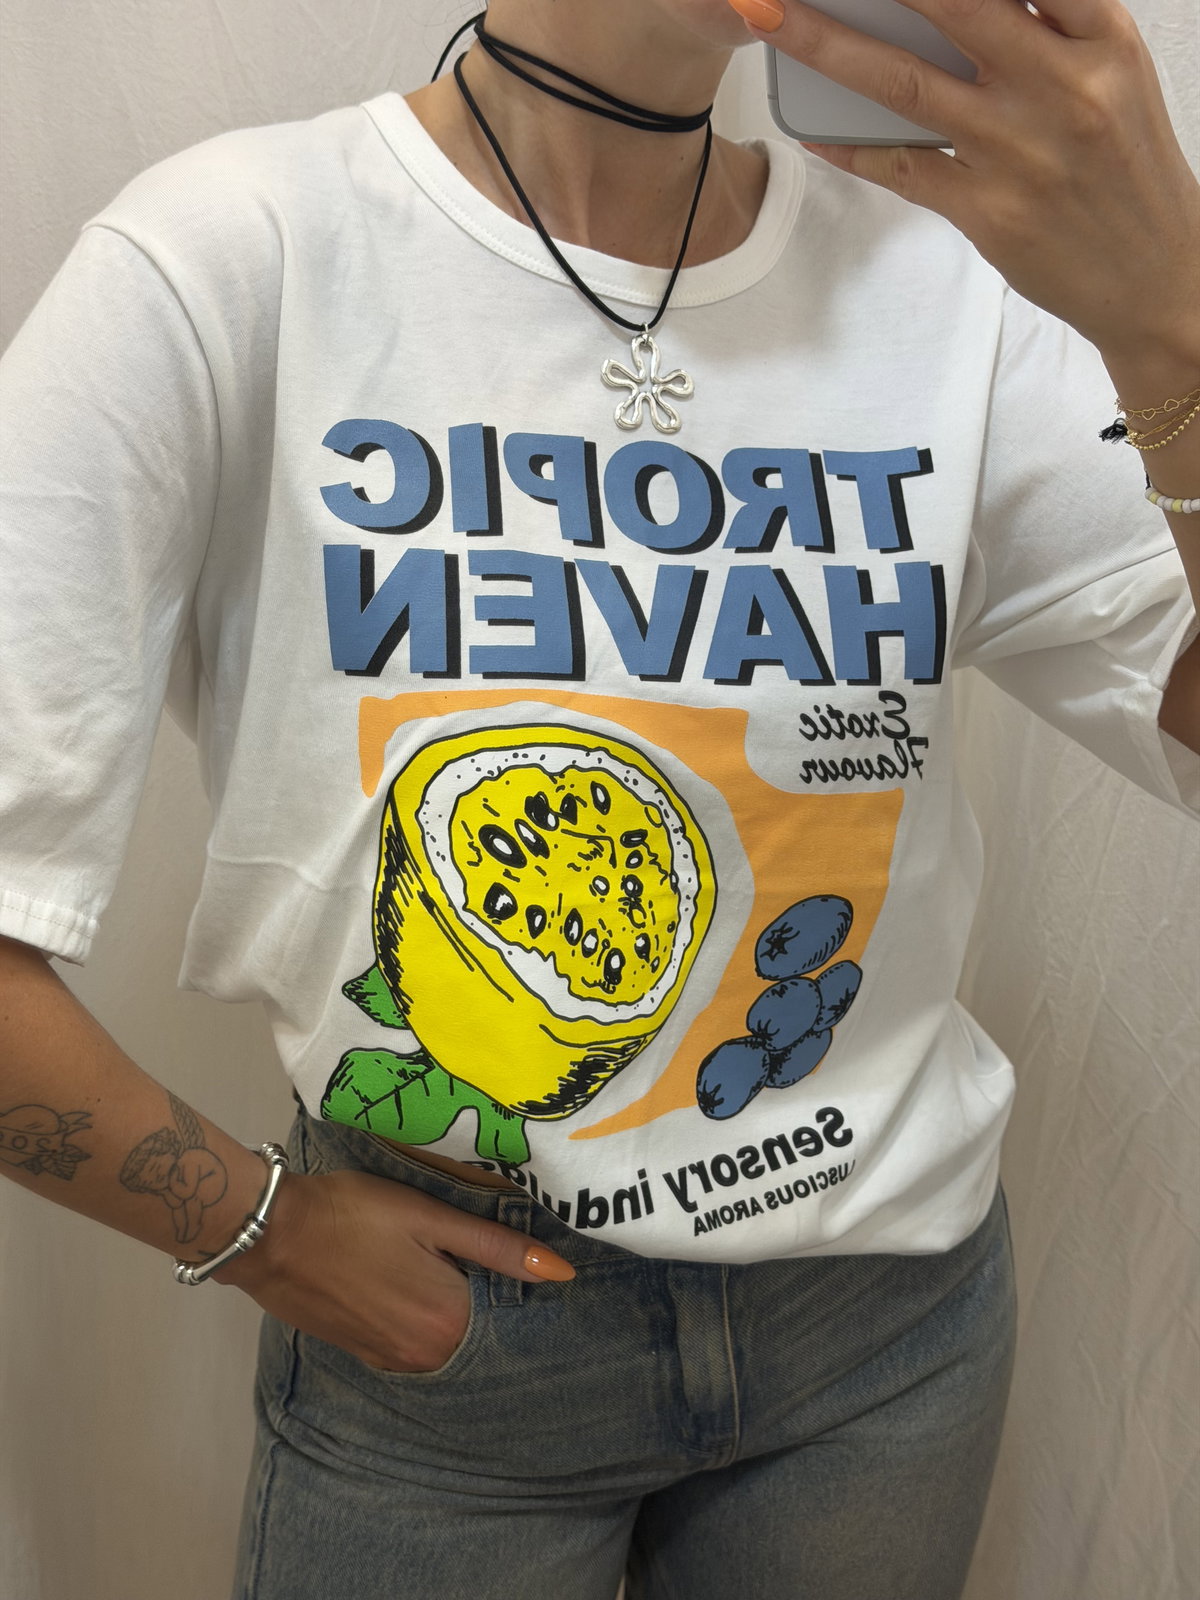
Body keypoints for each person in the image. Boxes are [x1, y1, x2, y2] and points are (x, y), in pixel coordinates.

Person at [1, 1, 1197, 1596]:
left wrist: (1174, 325)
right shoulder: (228, 259)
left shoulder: (941, 289)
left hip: (884, 1343)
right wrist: (256, 1229)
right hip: (449, 1357)